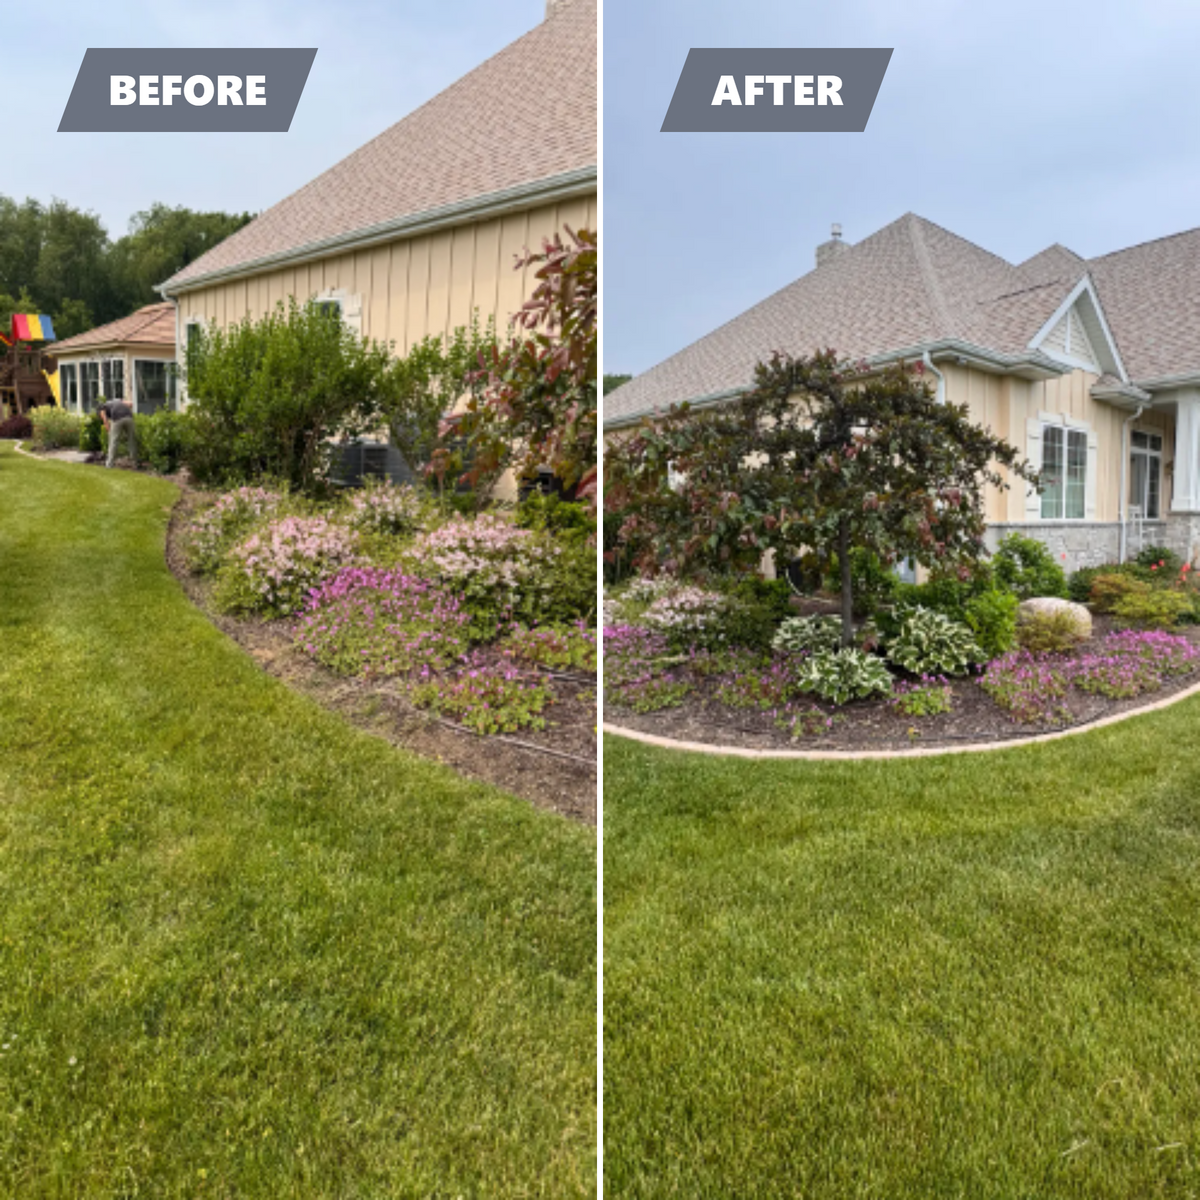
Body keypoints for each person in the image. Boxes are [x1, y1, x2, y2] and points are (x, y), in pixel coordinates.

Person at [98, 396, 136, 469]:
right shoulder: (117, 401)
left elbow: (105, 420)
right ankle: (135, 463)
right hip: (129, 417)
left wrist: (109, 432)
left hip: (117, 417)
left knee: (113, 441)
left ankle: (109, 464)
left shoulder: (102, 408)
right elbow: (130, 404)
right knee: (131, 440)